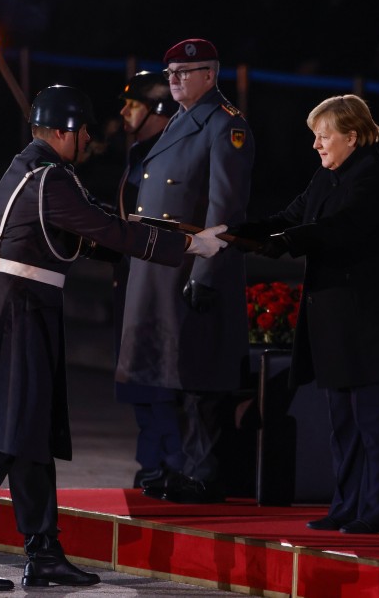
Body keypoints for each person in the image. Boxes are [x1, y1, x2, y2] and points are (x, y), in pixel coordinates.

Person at [0, 85, 228, 591]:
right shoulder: (48, 178)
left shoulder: (37, 171)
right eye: (84, 130)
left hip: (25, 304)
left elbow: (94, 233)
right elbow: (105, 231)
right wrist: (188, 245)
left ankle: (43, 551)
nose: (89, 137)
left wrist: (147, 232)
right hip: (17, 310)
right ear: (65, 131)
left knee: (30, 435)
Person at [228, 94, 379, 534]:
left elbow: (341, 228)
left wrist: (284, 242)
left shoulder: (375, 178)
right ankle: (345, 506)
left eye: (324, 137)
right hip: (338, 326)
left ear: (352, 137)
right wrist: (239, 232)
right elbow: (292, 214)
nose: (316, 146)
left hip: (374, 325)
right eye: (315, 137)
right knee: (342, 424)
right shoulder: (327, 176)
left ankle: (376, 512)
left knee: (374, 426)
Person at [116, 38, 254, 504]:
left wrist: (206, 274)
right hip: (159, 267)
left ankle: (203, 475)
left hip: (189, 268)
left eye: (184, 72)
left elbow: (225, 209)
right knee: (167, 374)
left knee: (198, 379)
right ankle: (172, 467)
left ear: (210, 76)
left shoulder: (223, 126)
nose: (172, 78)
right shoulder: (181, 120)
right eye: (170, 71)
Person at [110, 71, 184, 489]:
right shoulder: (140, 153)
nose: (123, 111)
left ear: (157, 109)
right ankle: (152, 460)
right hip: (132, 278)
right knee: (140, 378)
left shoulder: (168, 155)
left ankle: (169, 462)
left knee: (159, 379)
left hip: (157, 282)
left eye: (132, 104)